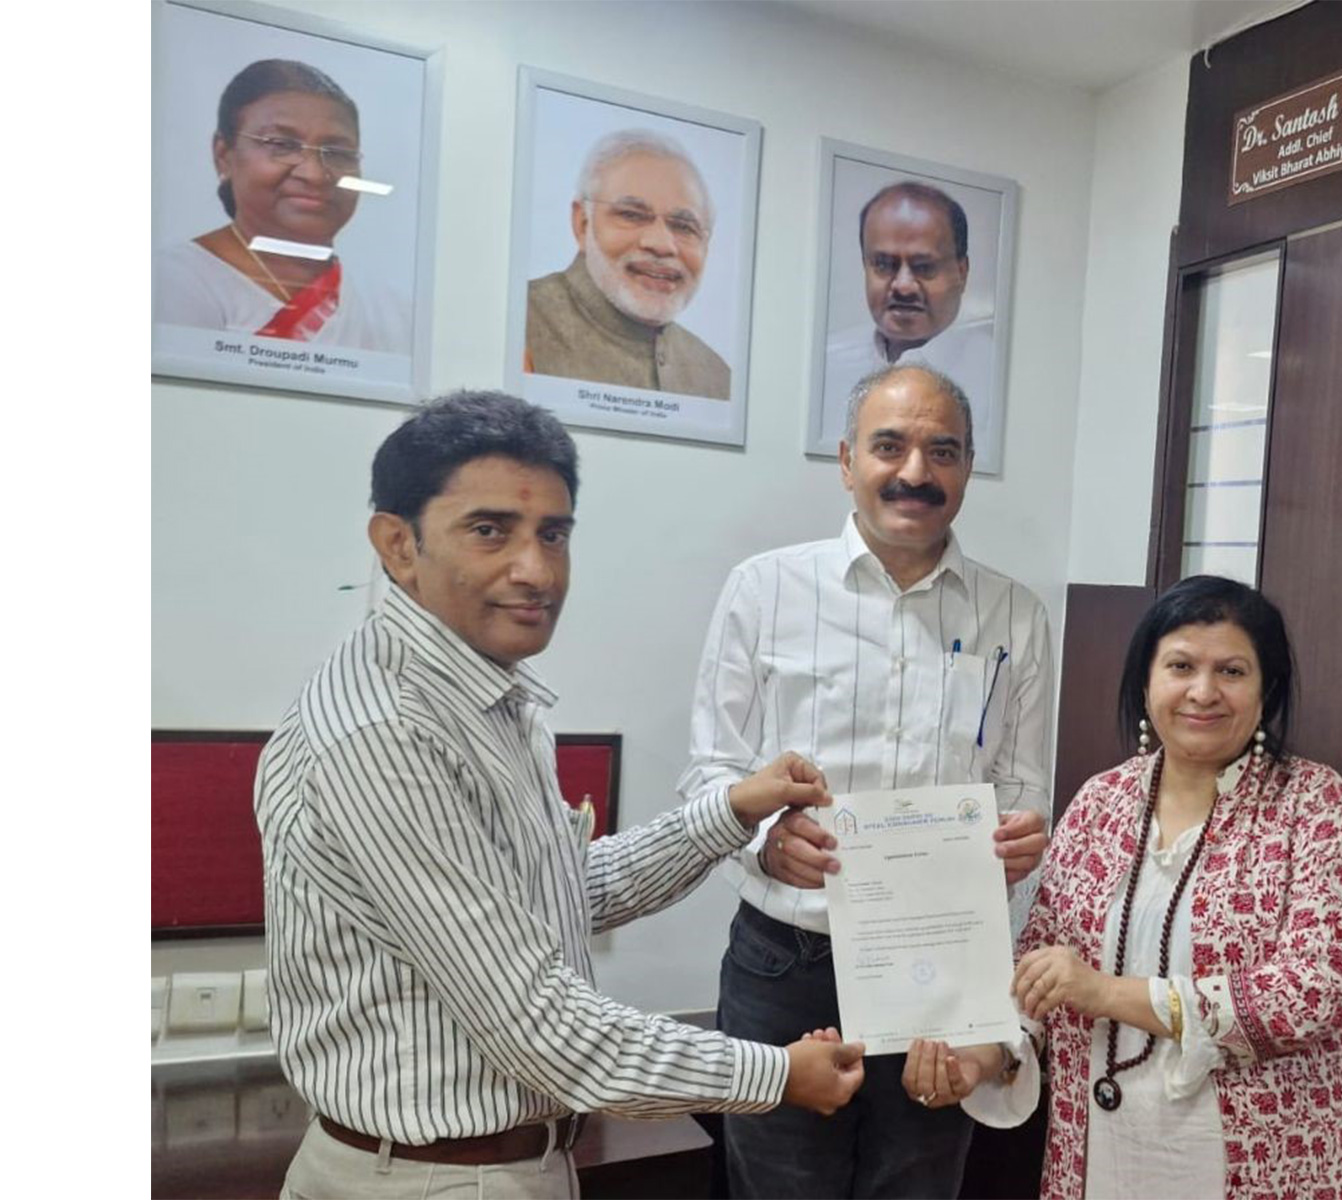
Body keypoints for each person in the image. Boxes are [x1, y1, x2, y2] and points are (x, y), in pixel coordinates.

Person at [254, 390, 865, 1199]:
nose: (535, 570)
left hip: (497, 1164)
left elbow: (562, 895)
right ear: (397, 545)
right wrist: (776, 1073)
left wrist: (732, 811)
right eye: (489, 530)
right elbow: (544, 1030)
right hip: (432, 1180)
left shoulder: (484, 699)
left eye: (554, 534)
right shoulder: (386, 734)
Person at [677, 363, 1054, 1198]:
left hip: (941, 969)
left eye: (942, 451)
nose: (915, 472)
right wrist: (765, 846)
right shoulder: (765, 590)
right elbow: (707, 772)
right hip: (787, 964)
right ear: (847, 461)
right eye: (890, 446)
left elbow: (1023, 787)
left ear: (966, 468)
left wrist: (1025, 836)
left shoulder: (1016, 615)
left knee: (917, 1185)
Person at [901, 575, 1342, 1200]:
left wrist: (1105, 991)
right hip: (1107, 1150)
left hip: (1273, 1154)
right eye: (1181, 666)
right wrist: (984, 1060)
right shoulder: (1098, 802)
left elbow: (1316, 991)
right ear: (1147, 680)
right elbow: (1038, 970)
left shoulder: (1313, 802)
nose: (1203, 691)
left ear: (1267, 689)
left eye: (1233, 671)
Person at [154, 59, 409, 351]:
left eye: (337, 152)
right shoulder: (172, 282)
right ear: (224, 154)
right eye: (282, 145)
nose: (314, 174)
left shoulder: (392, 312)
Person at [524, 129, 730, 399]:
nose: (662, 244)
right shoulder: (517, 320)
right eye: (632, 215)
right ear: (582, 224)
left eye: (683, 226)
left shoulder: (716, 376)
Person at [821, 183, 993, 450]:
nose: (903, 285)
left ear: (962, 271)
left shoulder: (992, 373)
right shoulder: (828, 360)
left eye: (924, 267)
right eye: (884, 265)